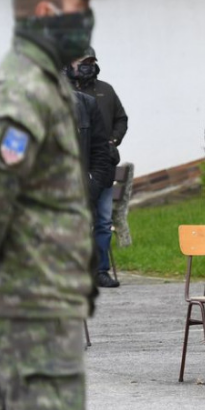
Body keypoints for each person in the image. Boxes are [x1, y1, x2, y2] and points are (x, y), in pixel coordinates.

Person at [0, 0, 102, 410]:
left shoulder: (45, 83)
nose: (88, 21)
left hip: (40, 296)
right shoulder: (21, 91)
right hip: (29, 302)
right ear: (45, 13)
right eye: (79, 8)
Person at [68, 46, 128, 288]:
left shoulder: (105, 91)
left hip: (102, 164)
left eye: (91, 61)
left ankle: (100, 270)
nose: (87, 65)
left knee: (103, 221)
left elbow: (121, 119)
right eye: (82, 61)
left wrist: (113, 139)